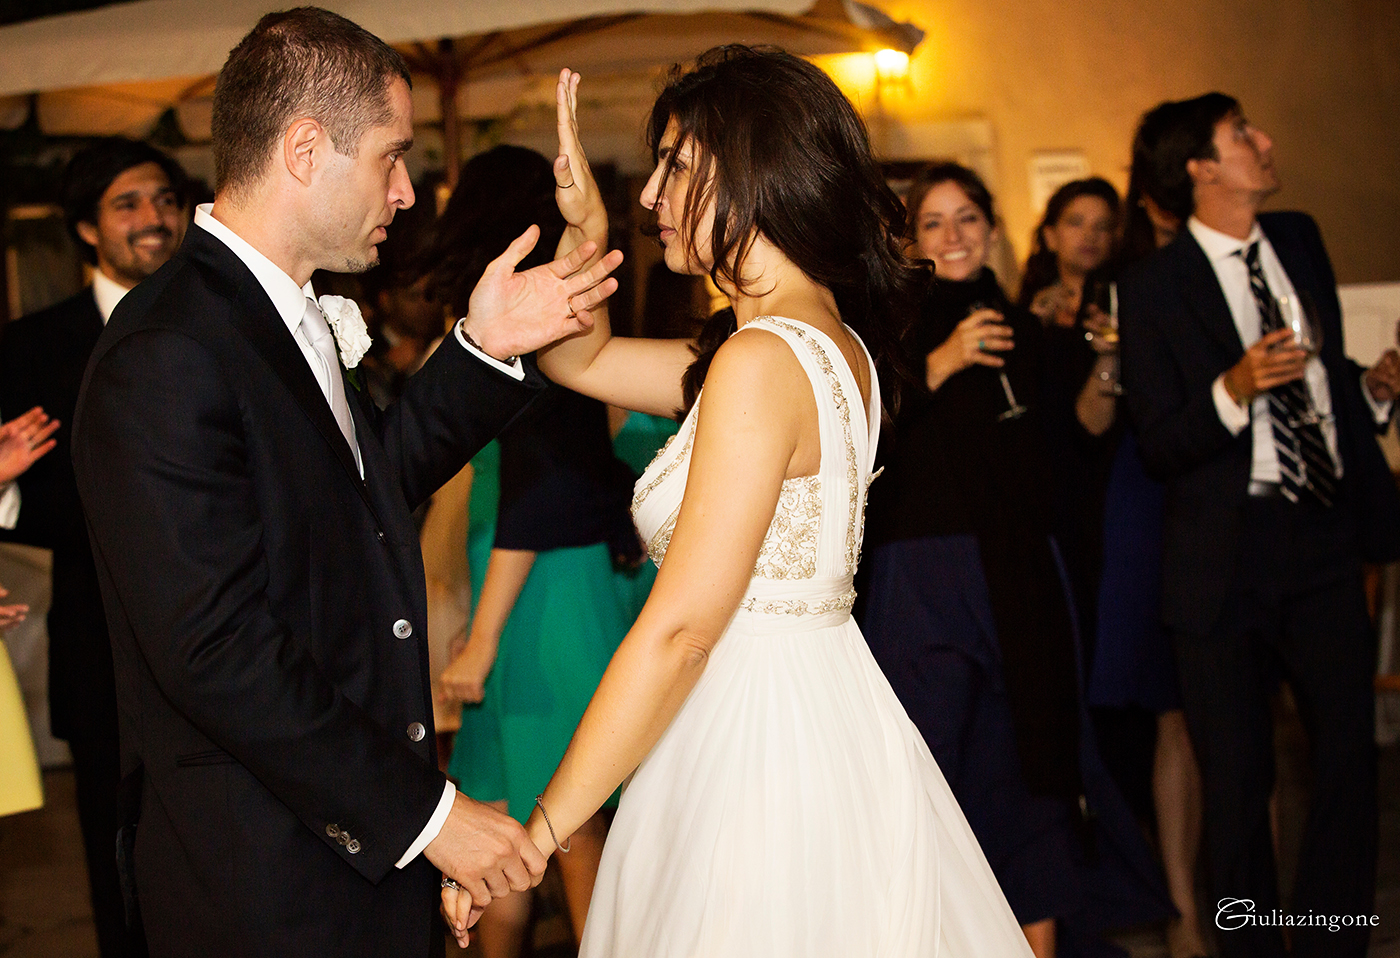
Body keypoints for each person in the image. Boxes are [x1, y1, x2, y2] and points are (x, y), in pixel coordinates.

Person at [444, 48, 1037, 956]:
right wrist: (583, 234)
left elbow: (682, 631)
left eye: (677, 168)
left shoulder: (760, 363)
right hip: (823, 714)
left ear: (752, 174)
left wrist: (539, 832)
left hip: (756, 746)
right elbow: (583, 361)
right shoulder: (824, 345)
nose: (650, 199)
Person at [69, 8, 623, 957]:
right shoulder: (165, 352)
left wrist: (482, 350)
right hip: (264, 881)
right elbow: (213, 650)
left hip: (347, 850)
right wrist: (428, 813)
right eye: (390, 157)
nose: (407, 191)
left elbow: (355, 503)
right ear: (303, 147)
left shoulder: (287, 310)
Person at [859, 161, 1169, 958]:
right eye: (933, 222)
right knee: (927, 769)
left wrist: (1106, 358)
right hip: (921, 576)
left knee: (1028, 767)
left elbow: (1085, 429)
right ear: (909, 239)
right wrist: (945, 359)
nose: (954, 236)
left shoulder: (1028, 328)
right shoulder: (885, 325)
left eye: (967, 219)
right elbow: (864, 428)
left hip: (1022, 574)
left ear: (994, 229)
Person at [1119, 92, 1400, 958]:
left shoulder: (1302, 239)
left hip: (1321, 536)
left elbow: (1316, 376)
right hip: (1222, 556)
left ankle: (1328, 938)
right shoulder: (1154, 287)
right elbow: (1161, 440)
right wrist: (1232, 390)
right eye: (1243, 134)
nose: (1266, 142)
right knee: (1239, 783)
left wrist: (1370, 392)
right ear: (1201, 168)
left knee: (1351, 754)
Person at [422, 145, 655, 956]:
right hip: (557, 572)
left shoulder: (533, 316)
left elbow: (533, 484)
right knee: (519, 814)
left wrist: (483, 637)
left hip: (538, 580)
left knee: (563, 819)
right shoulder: (557, 312)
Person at [0, 136, 191, 958]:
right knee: (116, 860)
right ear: (85, 229)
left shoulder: (222, 315)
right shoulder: (31, 346)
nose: (155, 220)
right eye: (128, 204)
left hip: (236, 639)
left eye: (165, 200)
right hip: (99, 647)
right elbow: (24, 494)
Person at [1082, 111, 1209, 958]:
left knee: (1217, 714)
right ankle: (1182, 908)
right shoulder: (1120, 284)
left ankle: (1233, 901)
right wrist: (1106, 354)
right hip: (1137, 497)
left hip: (1210, 498)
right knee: (1167, 708)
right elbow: (1092, 422)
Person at [1018, 178, 1120, 329]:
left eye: (1102, 226)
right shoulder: (1032, 304)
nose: (1090, 235)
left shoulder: (1128, 299)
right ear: (1050, 236)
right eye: (1076, 223)